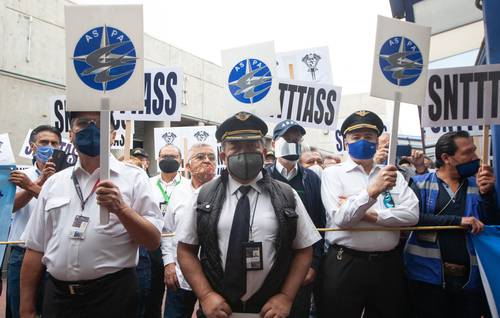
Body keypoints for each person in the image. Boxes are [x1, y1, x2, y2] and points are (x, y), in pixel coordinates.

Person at [177, 111, 321, 317]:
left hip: (270, 311)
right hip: (219, 310)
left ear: (263, 152)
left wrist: (287, 297)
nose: (244, 152)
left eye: (251, 146)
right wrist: (206, 294)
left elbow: (304, 249)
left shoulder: (286, 195)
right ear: (223, 156)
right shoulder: (204, 195)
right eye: (235, 147)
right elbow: (185, 250)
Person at [20, 111, 164, 318]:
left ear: (113, 136)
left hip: (112, 296)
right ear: (71, 134)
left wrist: (122, 209)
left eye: (100, 123)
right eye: (83, 123)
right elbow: (35, 248)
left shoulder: (135, 178)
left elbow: (152, 240)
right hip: (59, 298)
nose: (91, 128)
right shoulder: (55, 182)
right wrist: (26, 308)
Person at [319, 110, 419, 318]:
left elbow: (411, 216)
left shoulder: (392, 175)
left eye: (369, 137)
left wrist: (369, 214)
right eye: (356, 137)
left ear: (376, 141)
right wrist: (372, 192)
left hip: (387, 264)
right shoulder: (332, 174)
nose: (363, 141)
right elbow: (342, 219)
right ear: (346, 142)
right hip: (345, 262)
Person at [405, 131, 499, 318]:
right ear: (446, 158)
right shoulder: (419, 183)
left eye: (474, 151)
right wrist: (458, 221)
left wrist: (488, 195)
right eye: (468, 153)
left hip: (471, 281)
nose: (476, 158)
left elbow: (491, 225)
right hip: (427, 279)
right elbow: (413, 218)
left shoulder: (479, 184)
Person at [266, 119, 326, 318]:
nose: (293, 143)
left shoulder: (312, 179)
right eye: (287, 138)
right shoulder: (262, 176)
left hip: (301, 261)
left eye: (297, 139)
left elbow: (319, 225)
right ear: (274, 143)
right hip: (269, 262)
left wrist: (314, 264)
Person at [7, 125, 61, 318]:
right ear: (33, 147)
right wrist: (37, 183)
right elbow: (10, 207)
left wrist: (33, 186)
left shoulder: (68, 177)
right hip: (21, 253)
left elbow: (60, 209)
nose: (49, 147)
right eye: (44, 143)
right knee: (20, 308)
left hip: (54, 254)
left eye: (54, 143)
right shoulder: (20, 175)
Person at [161, 143, 217, 318]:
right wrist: (169, 263)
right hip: (181, 278)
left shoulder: (226, 190)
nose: (207, 161)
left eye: (211, 157)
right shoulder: (178, 191)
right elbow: (167, 231)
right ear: (187, 166)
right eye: (200, 157)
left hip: (215, 279)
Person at [148, 144, 188, 318]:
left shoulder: (188, 187)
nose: (168, 160)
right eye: (164, 156)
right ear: (157, 159)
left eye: (173, 156)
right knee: (151, 299)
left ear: (180, 160)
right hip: (151, 247)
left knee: (176, 297)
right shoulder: (147, 183)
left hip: (177, 249)